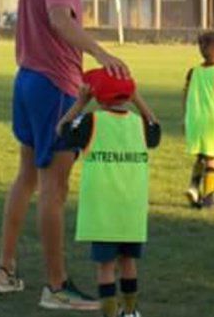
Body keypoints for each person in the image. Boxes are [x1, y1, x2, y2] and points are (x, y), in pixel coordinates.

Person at [0, 0, 129, 311]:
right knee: (54, 189)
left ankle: (5, 270)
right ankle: (57, 286)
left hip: (28, 81)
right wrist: (102, 54)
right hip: (54, 88)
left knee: (26, 178)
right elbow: (60, 21)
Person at [57, 68, 160, 317]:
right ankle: (131, 311)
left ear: (98, 97)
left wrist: (80, 103)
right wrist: (138, 99)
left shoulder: (92, 121)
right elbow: (155, 129)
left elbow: (62, 130)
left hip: (103, 209)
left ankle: (110, 314)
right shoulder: (138, 124)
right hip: (130, 210)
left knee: (105, 267)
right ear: (128, 94)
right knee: (128, 262)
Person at [183, 31, 214, 210]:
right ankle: (209, 199)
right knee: (213, 160)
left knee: (200, 157)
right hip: (213, 124)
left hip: (195, 122)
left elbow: (186, 95)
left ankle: (194, 189)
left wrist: (187, 118)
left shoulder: (193, 72)